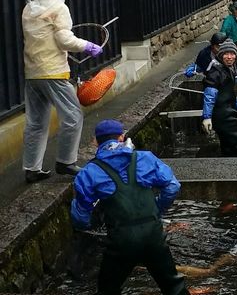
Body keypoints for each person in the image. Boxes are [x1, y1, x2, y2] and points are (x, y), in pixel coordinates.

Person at [71, 119, 189, 295]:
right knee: (173, 286)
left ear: (96, 141)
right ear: (122, 137)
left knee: (108, 289)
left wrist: (87, 225)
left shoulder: (88, 172)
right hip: (153, 235)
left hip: (121, 240)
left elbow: (80, 216)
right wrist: (157, 208)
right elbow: (173, 186)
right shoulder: (145, 158)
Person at [22, 0, 103, 183]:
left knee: (36, 122)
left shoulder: (29, 8)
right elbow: (64, 40)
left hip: (32, 72)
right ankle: (65, 162)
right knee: (73, 116)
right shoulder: (59, 7)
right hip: (53, 72)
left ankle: (32, 168)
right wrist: (89, 46)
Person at [202, 39, 237, 156]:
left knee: (229, 147)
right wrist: (207, 117)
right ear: (221, 55)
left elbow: (228, 93)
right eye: (226, 54)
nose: (230, 57)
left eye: (232, 53)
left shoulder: (227, 69)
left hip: (228, 113)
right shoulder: (215, 73)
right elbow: (209, 96)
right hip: (223, 116)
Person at [220, 1, 237, 70]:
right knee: (236, 63)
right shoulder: (228, 20)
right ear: (233, 10)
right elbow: (223, 31)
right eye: (236, 9)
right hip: (233, 44)